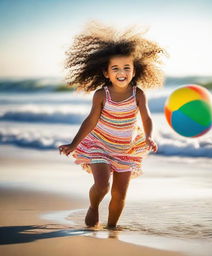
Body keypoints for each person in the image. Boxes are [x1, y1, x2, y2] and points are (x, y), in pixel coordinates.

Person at [58, 20, 168, 229]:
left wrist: (149, 136)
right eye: (115, 68)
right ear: (106, 72)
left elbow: (146, 118)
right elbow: (91, 120)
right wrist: (73, 144)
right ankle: (93, 206)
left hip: (125, 149)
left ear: (135, 71)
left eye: (127, 67)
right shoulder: (102, 94)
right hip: (99, 144)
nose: (121, 72)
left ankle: (111, 228)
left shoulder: (138, 94)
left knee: (119, 194)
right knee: (102, 186)